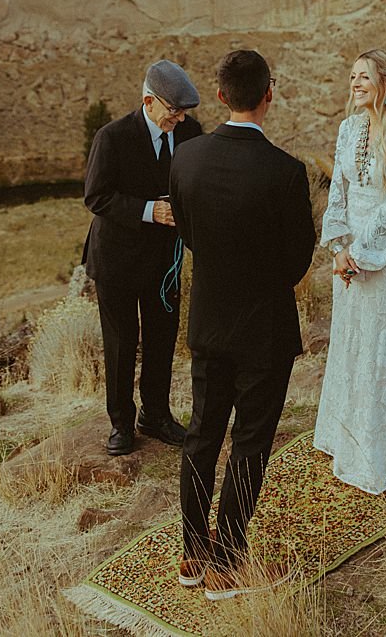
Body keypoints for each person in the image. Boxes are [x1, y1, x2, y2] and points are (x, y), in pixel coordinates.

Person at [169, 50, 315, 599]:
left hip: (208, 320)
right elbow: (298, 260)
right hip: (264, 331)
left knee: (202, 434)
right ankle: (227, 564)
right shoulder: (286, 171)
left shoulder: (185, 160)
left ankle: (191, 554)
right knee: (251, 442)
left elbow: (186, 232)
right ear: (268, 95)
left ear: (222, 95)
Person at [314, 47, 386, 495]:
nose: (355, 84)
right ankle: (343, 439)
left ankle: (376, 454)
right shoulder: (348, 128)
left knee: (379, 346)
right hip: (349, 256)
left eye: (364, 77)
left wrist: (361, 252)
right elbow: (336, 191)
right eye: (352, 77)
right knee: (349, 342)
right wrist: (339, 247)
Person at [82, 60, 202, 456]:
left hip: (163, 263)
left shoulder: (189, 133)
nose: (180, 118)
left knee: (161, 340)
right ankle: (120, 424)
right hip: (116, 261)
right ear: (149, 101)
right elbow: (96, 197)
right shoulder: (111, 137)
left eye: (184, 111)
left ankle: (155, 415)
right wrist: (151, 210)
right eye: (173, 110)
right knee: (120, 345)